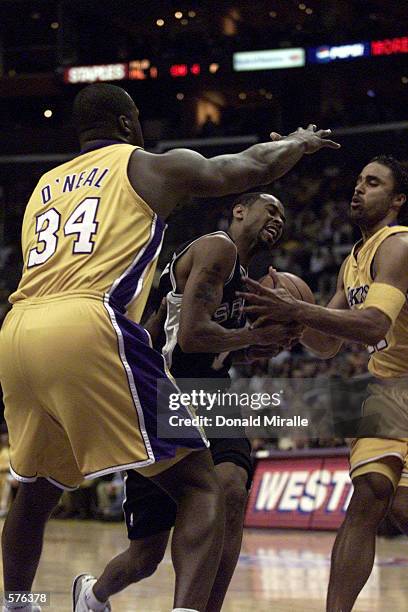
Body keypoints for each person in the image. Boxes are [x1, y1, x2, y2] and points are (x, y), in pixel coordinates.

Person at [0, 81, 339, 612]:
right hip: (93, 324)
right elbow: (244, 167)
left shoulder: (44, 184)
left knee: (37, 489)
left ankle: (19, 603)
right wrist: (297, 142)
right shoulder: (146, 167)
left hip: (19, 329)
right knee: (201, 488)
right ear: (127, 123)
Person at [81, 192, 301, 612]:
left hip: (212, 390)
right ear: (240, 210)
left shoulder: (250, 280)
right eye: (270, 208)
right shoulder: (217, 248)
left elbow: (214, 347)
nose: (278, 218)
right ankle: (92, 595)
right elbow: (191, 337)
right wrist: (256, 337)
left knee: (233, 489)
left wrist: (254, 346)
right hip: (163, 391)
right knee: (144, 557)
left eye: (284, 214)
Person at [239, 155, 408, 612]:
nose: (359, 189)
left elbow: (372, 325)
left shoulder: (398, 245)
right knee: (371, 493)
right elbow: (328, 343)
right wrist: (289, 324)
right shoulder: (351, 262)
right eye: (358, 180)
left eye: (373, 183)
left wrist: (298, 311)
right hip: (388, 389)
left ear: (398, 200)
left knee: (399, 509)